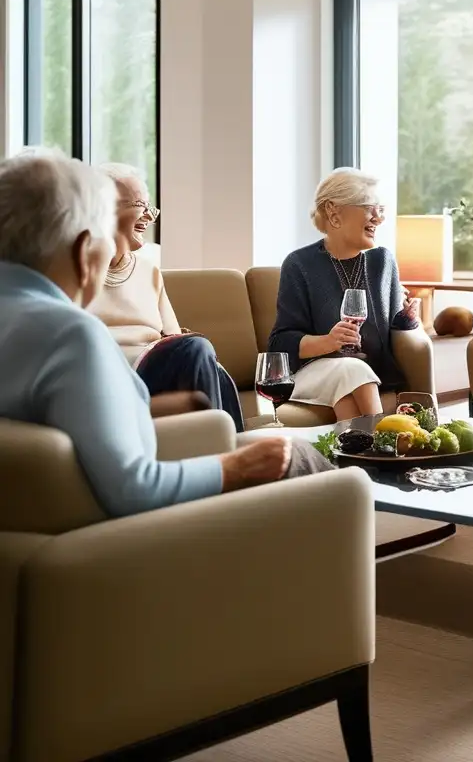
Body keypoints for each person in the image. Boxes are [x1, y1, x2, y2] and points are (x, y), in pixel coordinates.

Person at [0, 152, 328, 518]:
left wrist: (144, 403)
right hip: (143, 536)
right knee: (304, 462)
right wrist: (242, 465)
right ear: (83, 250)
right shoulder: (73, 335)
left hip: (35, 529)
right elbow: (134, 488)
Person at [87, 162, 245, 432]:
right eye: (140, 205)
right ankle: (226, 456)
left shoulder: (149, 271)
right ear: (104, 208)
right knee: (196, 350)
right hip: (109, 372)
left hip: (154, 372)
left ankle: (231, 452)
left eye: (151, 207)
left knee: (208, 362)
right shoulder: (75, 269)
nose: (149, 216)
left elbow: (173, 338)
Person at [269, 167, 420, 421]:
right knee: (352, 370)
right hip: (311, 372)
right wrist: (329, 341)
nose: (378, 218)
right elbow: (279, 344)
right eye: (369, 208)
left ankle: (355, 458)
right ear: (333, 212)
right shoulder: (299, 264)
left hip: (360, 374)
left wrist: (407, 318)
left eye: (380, 209)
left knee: (349, 390)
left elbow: (390, 328)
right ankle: (387, 446)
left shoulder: (382, 262)